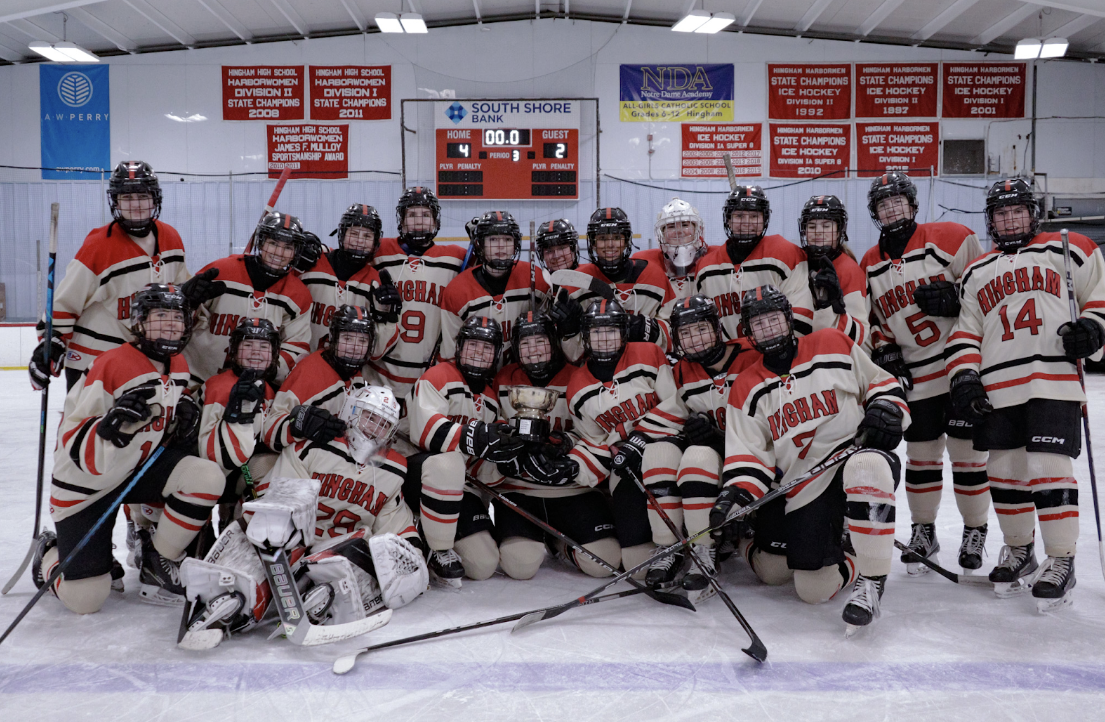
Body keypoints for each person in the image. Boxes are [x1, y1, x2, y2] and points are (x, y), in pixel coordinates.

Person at [946, 178, 1105, 609]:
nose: (1009, 219)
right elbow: (966, 331)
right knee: (1004, 471)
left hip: (1051, 377)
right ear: (991, 220)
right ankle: (1020, 549)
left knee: (1048, 465)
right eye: (1001, 213)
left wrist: (1093, 329)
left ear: (1032, 213)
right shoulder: (977, 271)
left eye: (1017, 211)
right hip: (998, 386)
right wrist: (964, 376)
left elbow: (1098, 299)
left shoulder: (1070, 247)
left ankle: (1061, 559)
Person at [715, 285, 909, 633]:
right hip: (806, 482)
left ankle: (871, 577)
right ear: (749, 333)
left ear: (789, 319)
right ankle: (849, 546)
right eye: (759, 325)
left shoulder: (830, 343)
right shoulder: (746, 385)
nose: (769, 329)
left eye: (774, 320)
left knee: (867, 466)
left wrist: (885, 408)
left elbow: (880, 383)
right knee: (810, 589)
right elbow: (750, 454)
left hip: (855, 457)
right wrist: (737, 496)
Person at [32, 283, 226, 612]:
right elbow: (72, 438)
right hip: (86, 485)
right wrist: (107, 429)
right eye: (160, 315)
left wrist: (181, 416)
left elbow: (160, 420)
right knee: (86, 600)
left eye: (177, 317)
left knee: (206, 477)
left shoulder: (178, 365)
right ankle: (50, 552)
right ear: (139, 323)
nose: (170, 324)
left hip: (136, 471)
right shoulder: (112, 364)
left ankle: (156, 558)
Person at [180, 385, 426, 638]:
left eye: (383, 424)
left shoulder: (394, 468)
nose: (374, 429)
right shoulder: (313, 445)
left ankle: (320, 600)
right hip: (292, 540)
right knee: (265, 532)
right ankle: (232, 596)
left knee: (358, 553)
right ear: (351, 412)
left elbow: (393, 520)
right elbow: (281, 497)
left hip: (334, 550)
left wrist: (412, 554)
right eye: (370, 417)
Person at [860, 171, 990, 574]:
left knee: (969, 457)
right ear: (875, 213)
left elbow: (986, 289)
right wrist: (886, 351)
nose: (892, 208)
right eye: (884, 204)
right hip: (916, 374)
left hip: (959, 368)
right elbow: (874, 318)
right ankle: (924, 530)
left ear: (913, 204)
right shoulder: (869, 262)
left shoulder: (950, 236)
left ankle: (976, 530)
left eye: (899, 200)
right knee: (921, 458)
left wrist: (957, 301)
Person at [29, 160, 199, 392]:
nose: (136, 205)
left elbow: (178, 291)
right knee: (87, 426)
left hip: (146, 358)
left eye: (142, 196)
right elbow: (65, 301)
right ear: (115, 202)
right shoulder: (99, 245)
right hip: (94, 359)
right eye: (126, 198)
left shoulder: (171, 237)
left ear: (155, 199)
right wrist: (52, 342)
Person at [637, 295, 758, 595]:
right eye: (685, 334)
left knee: (699, 456)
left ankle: (722, 542)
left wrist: (720, 438)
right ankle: (678, 548)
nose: (695, 339)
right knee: (663, 452)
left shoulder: (753, 354)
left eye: (701, 329)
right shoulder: (680, 372)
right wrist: (631, 442)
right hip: (718, 461)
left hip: (758, 461)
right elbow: (670, 413)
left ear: (718, 328)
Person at [490, 311, 621, 579]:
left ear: (553, 342)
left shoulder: (581, 378)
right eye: (525, 344)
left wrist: (570, 461)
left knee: (604, 562)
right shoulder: (502, 379)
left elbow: (599, 436)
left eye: (540, 341)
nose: (533, 351)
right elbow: (493, 430)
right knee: (519, 566)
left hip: (572, 491)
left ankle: (559, 542)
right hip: (519, 491)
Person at [565, 299, 680, 578]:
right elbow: (596, 444)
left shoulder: (649, 353)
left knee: (658, 459)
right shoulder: (577, 387)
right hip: (626, 465)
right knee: (635, 564)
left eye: (611, 331)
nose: (604, 339)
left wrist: (641, 438)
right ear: (585, 337)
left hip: (668, 445)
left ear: (624, 332)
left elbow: (677, 405)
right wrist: (573, 467)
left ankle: (676, 547)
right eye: (596, 332)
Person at [406, 316, 523, 587]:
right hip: (418, 476)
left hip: (457, 486)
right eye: (473, 345)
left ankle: (432, 528)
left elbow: (480, 467)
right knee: (448, 463)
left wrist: (502, 460)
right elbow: (426, 434)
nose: (479, 353)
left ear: (496, 355)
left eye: (487, 348)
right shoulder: (437, 376)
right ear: (459, 348)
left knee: (482, 565)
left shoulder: (492, 399)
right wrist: (479, 436)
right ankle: (437, 546)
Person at [184, 211, 313, 386]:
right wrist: (187, 304)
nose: (279, 252)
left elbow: (296, 346)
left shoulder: (298, 294)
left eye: (288, 247)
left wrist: (265, 371)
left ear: (296, 252)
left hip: (256, 387)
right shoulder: (221, 271)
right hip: (197, 381)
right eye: (273, 243)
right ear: (260, 242)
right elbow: (183, 324)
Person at [370, 187, 467, 399]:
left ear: (435, 221)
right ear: (402, 221)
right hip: (380, 372)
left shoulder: (456, 258)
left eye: (425, 215)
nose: (419, 221)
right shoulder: (379, 251)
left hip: (429, 372)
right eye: (411, 215)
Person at [694, 185, 815, 344]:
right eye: (739, 216)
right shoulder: (706, 267)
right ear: (728, 220)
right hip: (730, 362)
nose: (746, 222)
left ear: (765, 219)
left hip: (778, 357)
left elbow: (802, 317)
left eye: (754, 216)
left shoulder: (786, 254)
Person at [550, 207, 675, 353]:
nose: (610, 245)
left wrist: (650, 330)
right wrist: (570, 331)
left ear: (627, 240)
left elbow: (676, 332)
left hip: (645, 365)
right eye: (602, 239)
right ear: (593, 243)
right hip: (596, 371)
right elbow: (572, 357)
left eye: (616, 238)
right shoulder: (574, 285)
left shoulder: (654, 275)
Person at [198, 317, 280, 528]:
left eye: (264, 346)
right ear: (234, 351)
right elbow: (206, 451)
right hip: (209, 469)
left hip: (241, 466)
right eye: (248, 345)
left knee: (274, 467)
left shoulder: (268, 388)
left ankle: (234, 520)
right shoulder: (217, 386)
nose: (256, 352)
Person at [262, 305, 379, 454]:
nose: (354, 348)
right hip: (292, 460)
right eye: (347, 338)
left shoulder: (355, 374)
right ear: (333, 339)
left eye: (362, 341)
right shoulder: (309, 372)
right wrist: (301, 425)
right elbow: (269, 433)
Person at [439, 210, 552, 361]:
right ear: (481, 245)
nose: (501, 246)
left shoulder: (535, 278)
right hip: (476, 379)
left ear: (515, 244)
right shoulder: (457, 290)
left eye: (507, 239)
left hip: (521, 376)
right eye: (493, 240)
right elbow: (451, 354)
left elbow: (547, 338)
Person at [300, 203, 402, 353]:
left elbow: (376, 352)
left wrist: (388, 317)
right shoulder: (310, 265)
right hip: (304, 367)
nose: (360, 240)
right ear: (342, 234)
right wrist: (294, 252)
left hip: (348, 373)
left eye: (367, 236)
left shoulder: (376, 283)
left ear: (375, 242)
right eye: (354, 233)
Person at [798, 195, 870, 350]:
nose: (818, 232)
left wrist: (830, 306)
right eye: (811, 227)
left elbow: (859, 336)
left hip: (835, 355)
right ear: (804, 231)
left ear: (839, 231)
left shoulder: (850, 270)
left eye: (826, 226)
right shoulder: (796, 261)